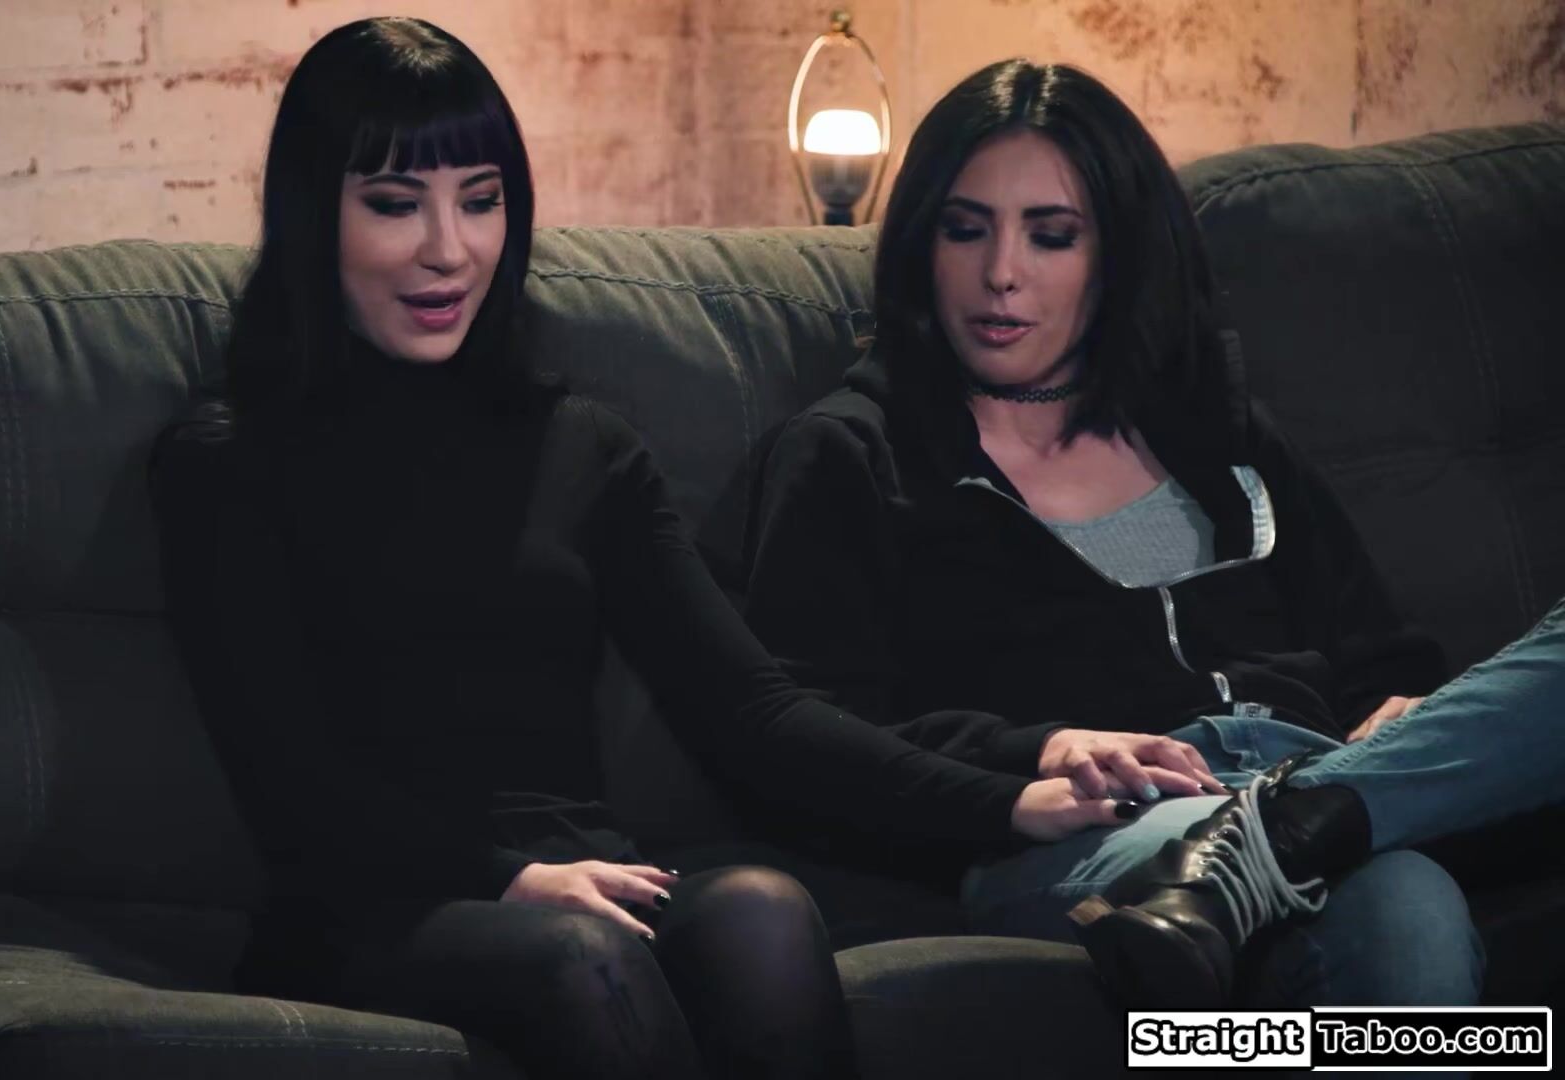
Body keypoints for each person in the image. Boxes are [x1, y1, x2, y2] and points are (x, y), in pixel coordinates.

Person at [150, 21, 1146, 1078]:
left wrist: (1008, 792)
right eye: (396, 205)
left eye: (480, 200)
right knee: (580, 957)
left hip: (594, 877)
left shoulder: (580, 447)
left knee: (759, 909)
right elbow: (293, 777)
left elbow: (757, 713)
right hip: (373, 905)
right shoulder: (225, 462)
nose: (449, 248)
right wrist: (510, 880)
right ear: (316, 214)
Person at [744, 57, 1564, 1010]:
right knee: (1394, 891)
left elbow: (1383, 653)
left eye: (1051, 235)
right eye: (965, 230)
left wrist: (1399, 710)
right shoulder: (855, 454)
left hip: (1323, 772)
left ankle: (1286, 833)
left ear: (1117, 253)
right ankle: (1279, 847)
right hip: (1099, 828)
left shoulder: (1217, 431)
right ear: (922, 243)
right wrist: (1040, 746)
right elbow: (814, 733)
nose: (1001, 273)